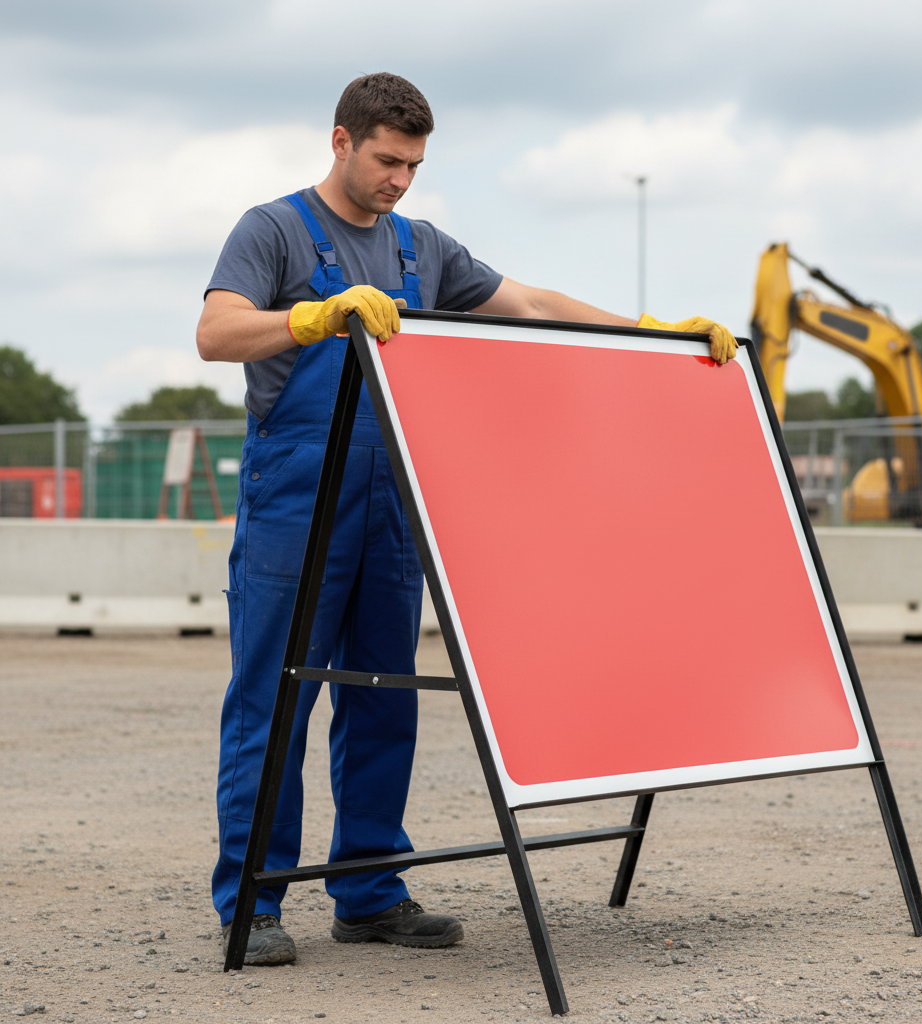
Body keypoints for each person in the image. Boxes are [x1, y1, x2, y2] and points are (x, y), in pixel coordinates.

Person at [197, 72, 736, 967]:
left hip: (395, 506)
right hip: (297, 503)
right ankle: (251, 903)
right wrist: (315, 316)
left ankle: (368, 893)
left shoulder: (422, 249)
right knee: (272, 704)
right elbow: (217, 333)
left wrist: (651, 332)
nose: (398, 180)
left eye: (412, 164)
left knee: (384, 700)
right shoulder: (276, 229)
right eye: (385, 160)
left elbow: (528, 305)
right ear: (340, 141)